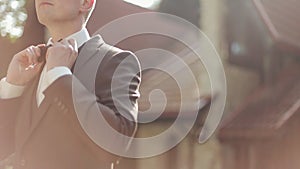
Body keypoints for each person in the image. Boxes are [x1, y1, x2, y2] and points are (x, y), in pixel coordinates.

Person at [0, 0, 141, 168]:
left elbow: (116, 144)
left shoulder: (115, 61)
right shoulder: (31, 67)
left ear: (86, 3)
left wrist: (60, 76)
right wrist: (12, 87)